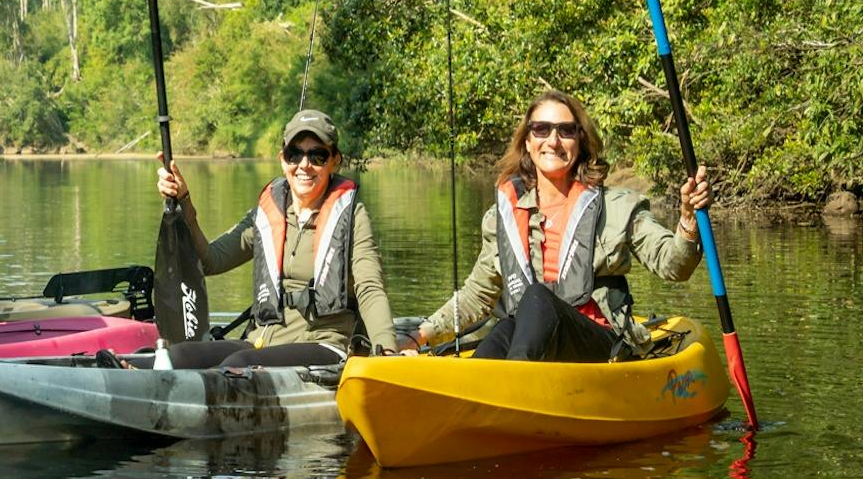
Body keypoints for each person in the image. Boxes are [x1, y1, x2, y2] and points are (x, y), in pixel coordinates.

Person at [409, 88, 710, 361]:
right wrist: (418, 335)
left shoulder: (616, 207)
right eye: (541, 130)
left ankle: (511, 386)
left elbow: (675, 266)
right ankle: (477, 389)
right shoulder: (502, 218)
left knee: (538, 297)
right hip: (530, 340)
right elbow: (477, 295)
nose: (553, 141)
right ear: (527, 142)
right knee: (504, 329)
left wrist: (687, 220)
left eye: (566, 131)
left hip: (599, 346)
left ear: (580, 141)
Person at [154, 108, 396, 366]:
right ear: (283, 159)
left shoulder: (353, 216)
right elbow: (210, 260)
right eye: (295, 154)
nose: (304, 165)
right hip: (262, 341)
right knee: (177, 355)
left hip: (323, 344)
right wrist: (183, 202)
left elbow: (370, 287)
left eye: (317, 156)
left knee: (237, 365)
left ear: (334, 160)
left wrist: (389, 353)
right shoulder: (269, 210)